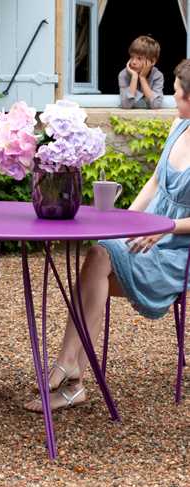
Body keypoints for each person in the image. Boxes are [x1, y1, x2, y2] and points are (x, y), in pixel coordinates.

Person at [25, 59, 190, 412]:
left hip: (177, 248)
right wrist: (128, 220)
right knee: (99, 255)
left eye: (178, 95)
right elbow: (157, 181)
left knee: (96, 264)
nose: (173, 99)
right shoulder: (180, 123)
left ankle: (70, 375)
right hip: (148, 233)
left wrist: (162, 229)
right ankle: (72, 376)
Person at [118, 35, 164, 109]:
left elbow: (156, 105)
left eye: (139, 58)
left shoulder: (157, 76)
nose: (133, 62)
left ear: (152, 61)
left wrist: (142, 78)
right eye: (132, 57)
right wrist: (134, 77)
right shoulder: (124, 74)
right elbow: (126, 105)